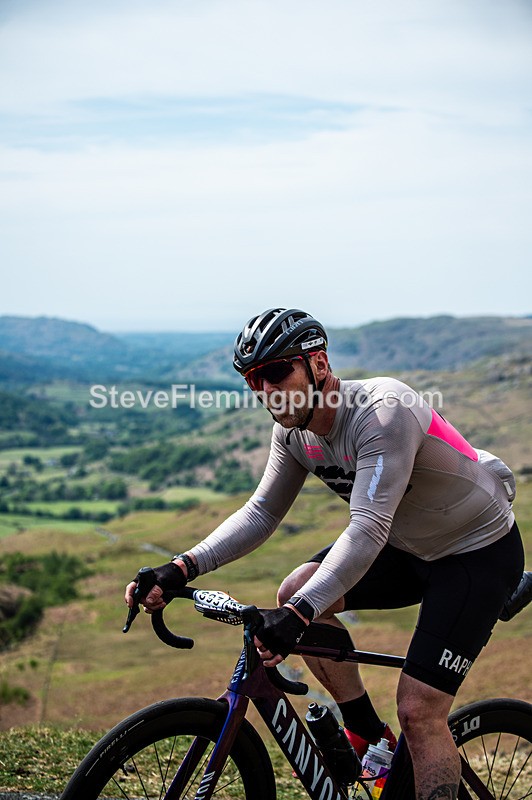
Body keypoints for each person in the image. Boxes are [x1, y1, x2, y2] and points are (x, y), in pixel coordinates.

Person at [125, 308, 525, 800]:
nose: (266, 390)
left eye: (276, 372)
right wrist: (182, 566)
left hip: (474, 553)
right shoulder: (293, 431)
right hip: (405, 548)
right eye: (254, 379)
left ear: (317, 363)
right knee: (296, 588)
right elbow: (260, 514)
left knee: (420, 711)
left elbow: (368, 527)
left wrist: (296, 616)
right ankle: (364, 730)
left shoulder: (383, 411)